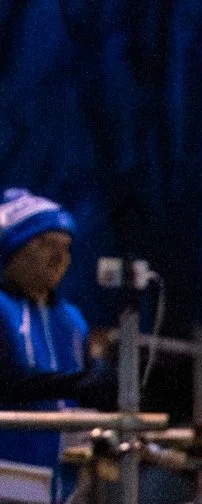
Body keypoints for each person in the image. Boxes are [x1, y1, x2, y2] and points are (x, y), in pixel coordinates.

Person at [0, 188, 106, 470]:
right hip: (10, 477)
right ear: (14, 249)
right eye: (46, 243)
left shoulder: (71, 320)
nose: (60, 257)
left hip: (66, 486)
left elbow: (90, 390)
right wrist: (76, 383)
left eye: (66, 247)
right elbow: (7, 383)